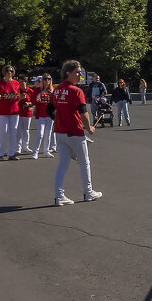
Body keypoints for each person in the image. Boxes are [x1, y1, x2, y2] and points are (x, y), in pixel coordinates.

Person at [51, 60, 102, 205]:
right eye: (77, 72)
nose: (80, 74)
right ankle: (88, 192)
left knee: (63, 163)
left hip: (60, 132)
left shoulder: (57, 89)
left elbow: (50, 110)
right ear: (68, 73)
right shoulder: (76, 91)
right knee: (84, 162)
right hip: (74, 132)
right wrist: (89, 127)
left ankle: (58, 195)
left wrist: (60, 119)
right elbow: (83, 112)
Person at [0, 65, 23, 159]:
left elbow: (18, 95)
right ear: (4, 73)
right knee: (3, 132)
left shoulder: (16, 83)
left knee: (13, 132)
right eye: (7, 71)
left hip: (14, 110)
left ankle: (11, 153)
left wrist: (21, 97)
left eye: (11, 71)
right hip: (3, 111)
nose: (9, 73)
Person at [32, 74, 56, 158]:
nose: (47, 81)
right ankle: (35, 152)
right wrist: (37, 97)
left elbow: (55, 102)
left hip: (49, 115)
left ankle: (46, 151)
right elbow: (33, 102)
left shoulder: (53, 90)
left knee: (48, 134)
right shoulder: (38, 89)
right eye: (45, 79)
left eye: (48, 79)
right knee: (40, 134)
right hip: (41, 115)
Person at [16, 78, 34, 156]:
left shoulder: (30, 91)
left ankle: (25, 146)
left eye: (22, 82)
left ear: (26, 82)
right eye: (19, 83)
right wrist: (20, 99)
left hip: (27, 113)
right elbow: (14, 101)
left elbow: (34, 101)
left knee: (26, 130)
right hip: (19, 112)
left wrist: (28, 103)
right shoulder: (17, 91)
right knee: (18, 130)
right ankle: (18, 148)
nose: (20, 84)